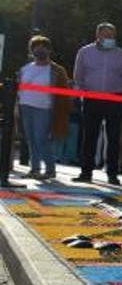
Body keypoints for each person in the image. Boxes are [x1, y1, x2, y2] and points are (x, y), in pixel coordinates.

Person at [72, 23, 122, 185]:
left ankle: (112, 174)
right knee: (89, 136)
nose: (109, 39)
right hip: (92, 98)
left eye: (112, 36)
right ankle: (86, 172)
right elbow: (78, 75)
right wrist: (80, 94)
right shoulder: (85, 52)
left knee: (113, 138)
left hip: (114, 99)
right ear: (98, 36)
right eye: (106, 35)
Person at [17, 35, 73, 180]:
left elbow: (64, 93)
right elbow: (19, 89)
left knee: (41, 139)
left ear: (49, 50)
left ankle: (50, 169)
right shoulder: (25, 69)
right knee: (30, 139)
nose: (39, 51)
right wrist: (17, 106)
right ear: (31, 50)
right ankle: (34, 169)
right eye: (36, 48)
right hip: (25, 106)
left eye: (43, 48)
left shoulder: (57, 70)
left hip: (44, 108)